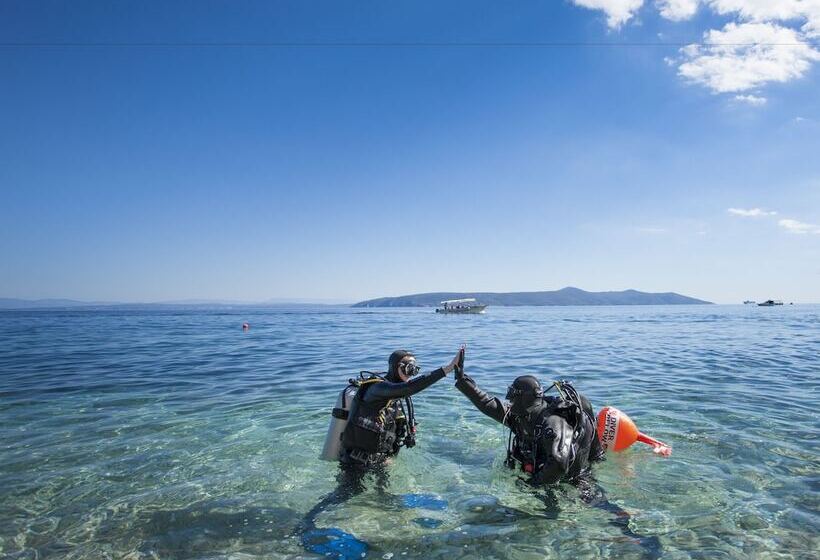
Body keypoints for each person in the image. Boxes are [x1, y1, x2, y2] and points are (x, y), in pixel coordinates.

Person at [454, 364, 662, 559]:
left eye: (513, 397)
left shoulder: (553, 424)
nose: (509, 401)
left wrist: (534, 483)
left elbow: (560, 463)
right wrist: (463, 381)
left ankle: (637, 537)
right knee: (544, 512)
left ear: (524, 400)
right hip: (546, 474)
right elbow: (488, 404)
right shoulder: (519, 416)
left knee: (596, 503)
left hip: (573, 476)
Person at [299, 348, 463, 555]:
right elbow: (412, 387)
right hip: (355, 460)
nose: (411, 372)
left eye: (414, 368)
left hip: (379, 459)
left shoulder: (395, 396)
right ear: (396, 367)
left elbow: (393, 432)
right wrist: (448, 368)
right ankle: (307, 524)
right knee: (346, 493)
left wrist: (390, 457)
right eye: (408, 367)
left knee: (383, 492)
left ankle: (385, 521)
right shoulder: (377, 389)